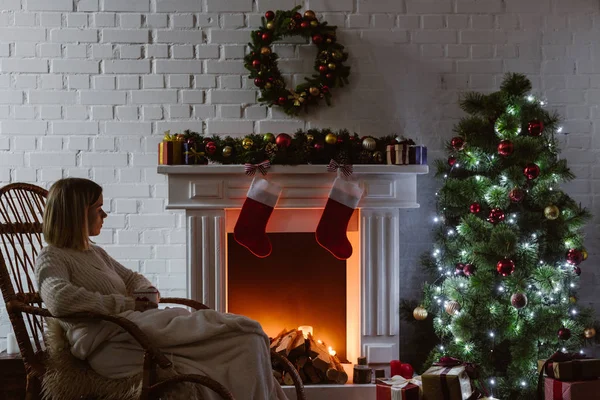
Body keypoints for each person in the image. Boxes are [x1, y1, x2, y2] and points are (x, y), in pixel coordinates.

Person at [35, 178, 288, 400]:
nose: (105, 216)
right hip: (113, 346)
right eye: (99, 209)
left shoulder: (95, 253)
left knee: (248, 338)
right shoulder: (52, 257)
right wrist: (126, 304)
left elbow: (133, 278)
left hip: (135, 329)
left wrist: (145, 294)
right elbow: (58, 299)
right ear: (77, 214)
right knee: (247, 335)